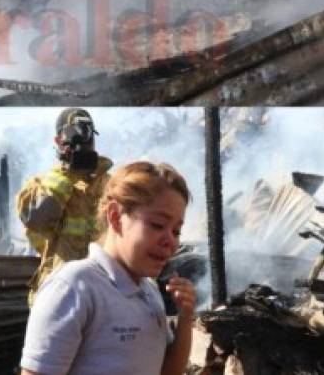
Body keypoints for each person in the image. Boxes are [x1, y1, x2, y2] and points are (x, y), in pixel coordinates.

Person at [20, 161, 196, 375]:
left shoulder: (150, 292)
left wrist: (185, 317)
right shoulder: (74, 287)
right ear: (115, 216)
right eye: (158, 225)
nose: (171, 241)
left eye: (176, 231)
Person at [17, 108, 113, 305]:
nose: (82, 143)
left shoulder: (113, 186)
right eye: (73, 135)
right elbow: (37, 219)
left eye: (87, 135)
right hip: (58, 296)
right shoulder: (40, 186)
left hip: (103, 298)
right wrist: (67, 173)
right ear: (58, 141)